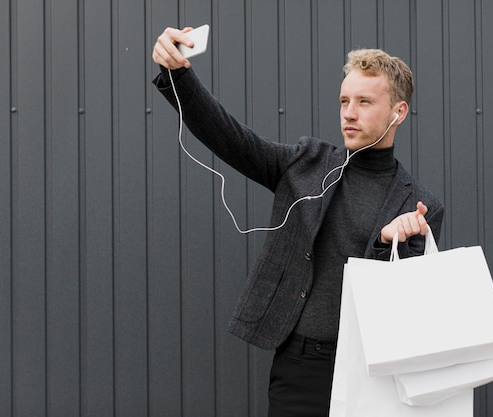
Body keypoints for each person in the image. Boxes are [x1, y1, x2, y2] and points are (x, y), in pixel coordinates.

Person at [152, 26, 444, 417]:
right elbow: (230, 137)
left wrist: (386, 241)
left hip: (374, 377)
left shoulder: (420, 206)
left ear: (399, 111)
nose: (349, 113)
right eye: (344, 101)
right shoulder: (305, 164)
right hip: (300, 369)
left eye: (364, 102)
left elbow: (407, 313)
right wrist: (179, 76)